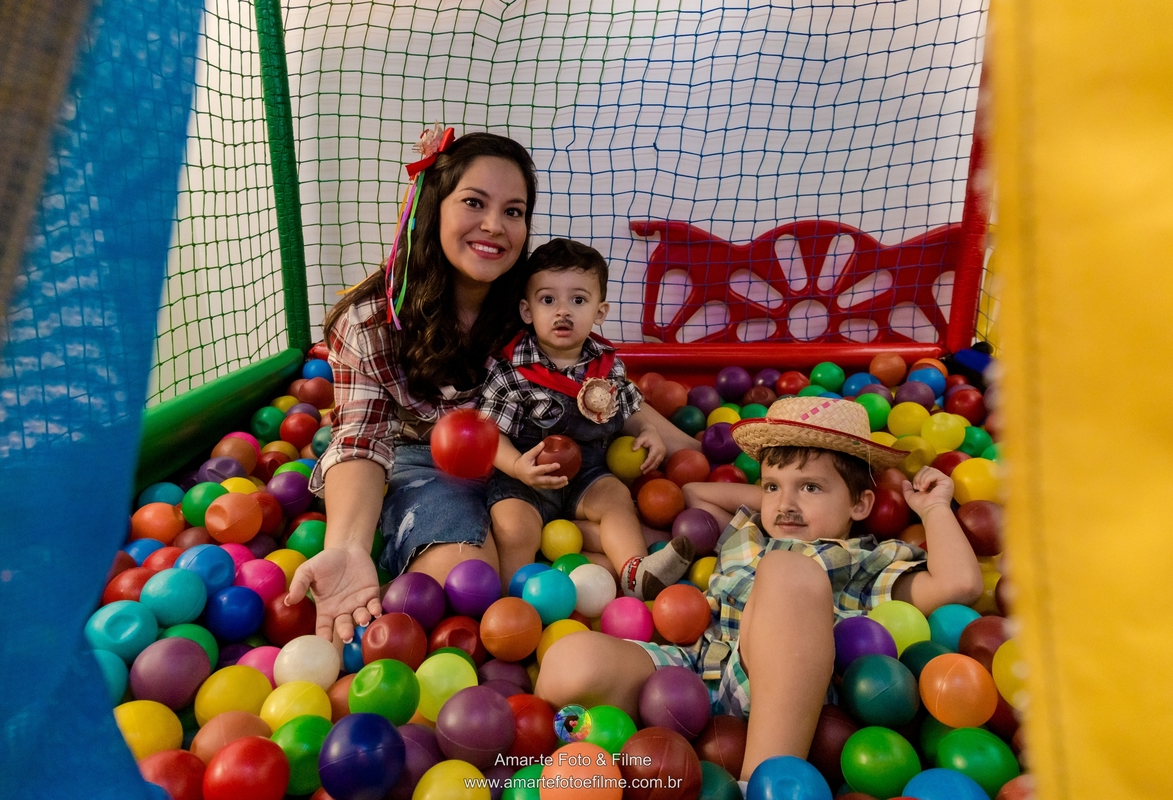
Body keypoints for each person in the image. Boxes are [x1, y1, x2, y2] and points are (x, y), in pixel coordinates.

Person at [284, 130, 698, 644]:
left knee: (667, 520)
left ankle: (603, 553)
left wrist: (694, 449)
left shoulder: (535, 304)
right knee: (463, 586)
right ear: (434, 207)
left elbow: (597, 385)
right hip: (431, 464)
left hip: (534, 463)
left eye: (514, 211)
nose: (494, 226)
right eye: (474, 203)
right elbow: (360, 440)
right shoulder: (372, 320)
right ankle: (590, 553)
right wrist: (347, 545)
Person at [534, 395, 983, 787]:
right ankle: (592, 770)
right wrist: (778, 494)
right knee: (570, 663)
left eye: (811, 488)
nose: (786, 504)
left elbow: (959, 584)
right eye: (772, 486)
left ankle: (763, 782)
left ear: (860, 503)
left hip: (788, 695)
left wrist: (935, 508)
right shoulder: (749, 533)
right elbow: (693, 492)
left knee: (788, 570)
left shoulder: (866, 560)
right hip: (695, 667)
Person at [479, 238, 697, 598]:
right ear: (527, 310)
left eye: (578, 300)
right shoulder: (510, 370)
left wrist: (649, 433)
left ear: (599, 311)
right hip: (526, 479)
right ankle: (512, 600)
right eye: (548, 300)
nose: (563, 311)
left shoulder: (608, 366)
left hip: (589, 476)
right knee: (514, 527)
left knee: (616, 500)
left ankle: (636, 574)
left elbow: (630, 415)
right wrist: (517, 467)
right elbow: (489, 435)